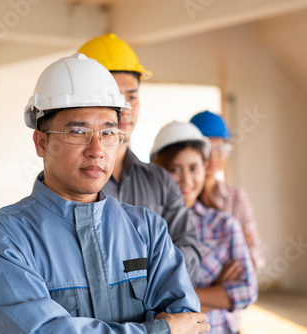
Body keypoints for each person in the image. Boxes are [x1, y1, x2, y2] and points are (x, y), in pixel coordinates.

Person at [0, 54, 210, 334]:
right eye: (78, 131)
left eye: (108, 133)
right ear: (41, 143)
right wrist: (159, 329)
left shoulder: (147, 229)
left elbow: (190, 323)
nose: (96, 149)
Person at [78, 34, 202, 283]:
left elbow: (192, 260)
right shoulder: (71, 182)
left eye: (132, 96)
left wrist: (132, 270)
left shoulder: (160, 181)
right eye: (113, 95)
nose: (126, 108)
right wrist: (158, 265)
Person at [151, 121, 258, 334]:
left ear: (204, 168)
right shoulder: (147, 225)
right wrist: (215, 293)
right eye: (174, 169)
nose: (186, 180)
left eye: (194, 168)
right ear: (158, 171)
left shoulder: (224, 225)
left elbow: (247, 290)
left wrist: (173, 303)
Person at [190, 111, 266, 271]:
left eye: (220, 148)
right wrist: (233, 247)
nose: (213, 157)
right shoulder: (181, 196)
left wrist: (237, 266)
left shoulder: (236, 196)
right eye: (206, 148)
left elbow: (257, 252)